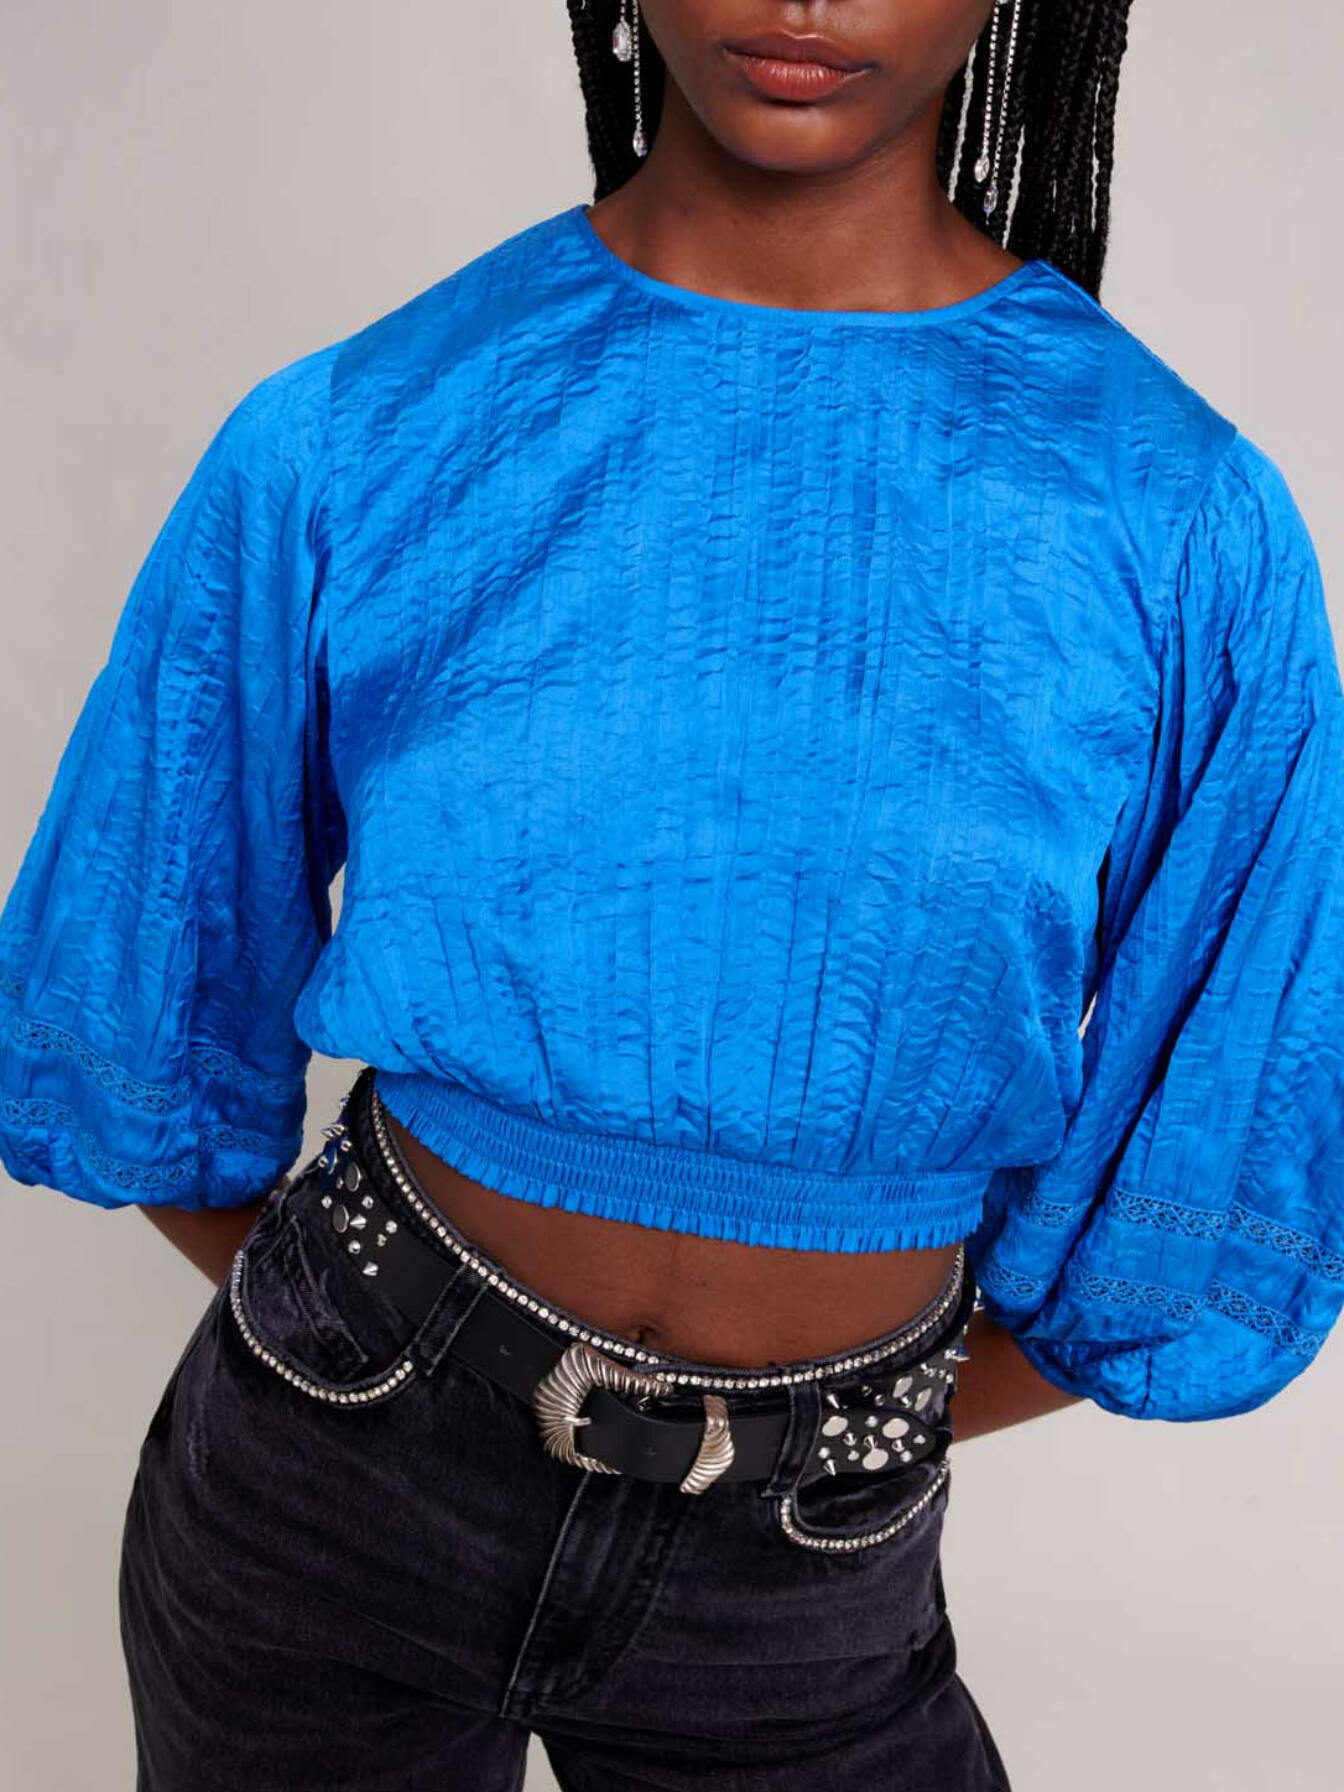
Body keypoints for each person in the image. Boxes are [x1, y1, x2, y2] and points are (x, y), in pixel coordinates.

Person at [3, 2, 1342, 1787]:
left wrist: (847, 1421)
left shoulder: (1179, 516)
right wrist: (381, 1325)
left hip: (810, 1580)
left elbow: (1231, 1121)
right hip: (323, 1508)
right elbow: (139, 992)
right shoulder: (364, 424)